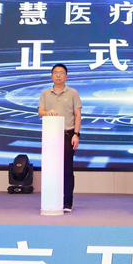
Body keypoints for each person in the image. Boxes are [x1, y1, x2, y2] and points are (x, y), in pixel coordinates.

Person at [38, 63, 82, 212]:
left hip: (67, 134)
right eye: (55, 73)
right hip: (50, 135)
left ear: (66, 76)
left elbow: (77, 114)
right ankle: (51, 199)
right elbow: (40, 112)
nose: (58, 75)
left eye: (61, 73)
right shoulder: (45, 93)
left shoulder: (73, 93)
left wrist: (76, 134)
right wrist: (47, 112)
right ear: (51, 76)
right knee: (50, 169)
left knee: (67, 169)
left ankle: (67, 202)